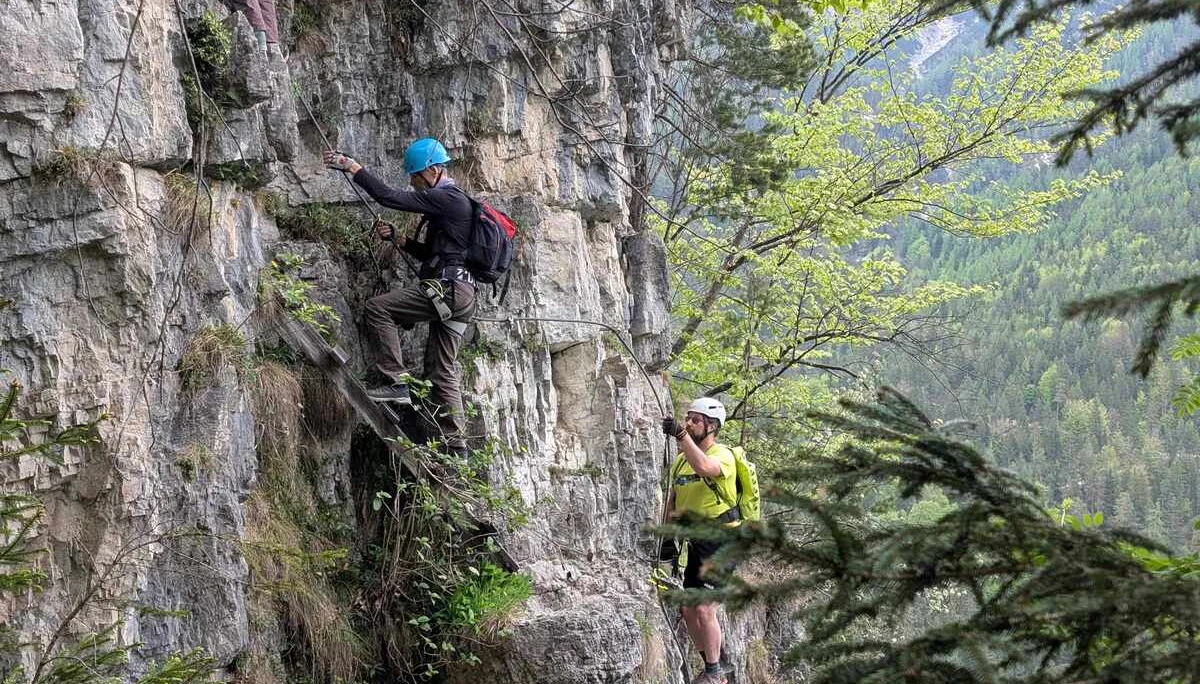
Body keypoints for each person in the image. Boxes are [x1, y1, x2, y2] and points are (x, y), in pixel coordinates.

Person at [323, 139, 476, 456]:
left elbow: (388, 197)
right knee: (442, 370)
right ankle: (456, 446)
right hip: (462, 294)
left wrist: (354, 168)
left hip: (447, 290)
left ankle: (396, 383)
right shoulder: (454, 202)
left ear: (433, 170)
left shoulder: (446, 197)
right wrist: (400, 239)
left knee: (378, 309)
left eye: (415, 176)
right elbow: (435, 255)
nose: (412, 182)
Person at [662, 397, 739, 684]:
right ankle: (713, 662)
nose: (689, 423)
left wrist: (681, 435)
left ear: (712, 426)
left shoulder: (724, 455)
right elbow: (673, 502)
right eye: (688, 418)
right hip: (695, 543)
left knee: (705, 607)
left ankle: (713, 673)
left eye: (696, 419)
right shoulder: (681, 462)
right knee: (688, 608)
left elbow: (706, 467)